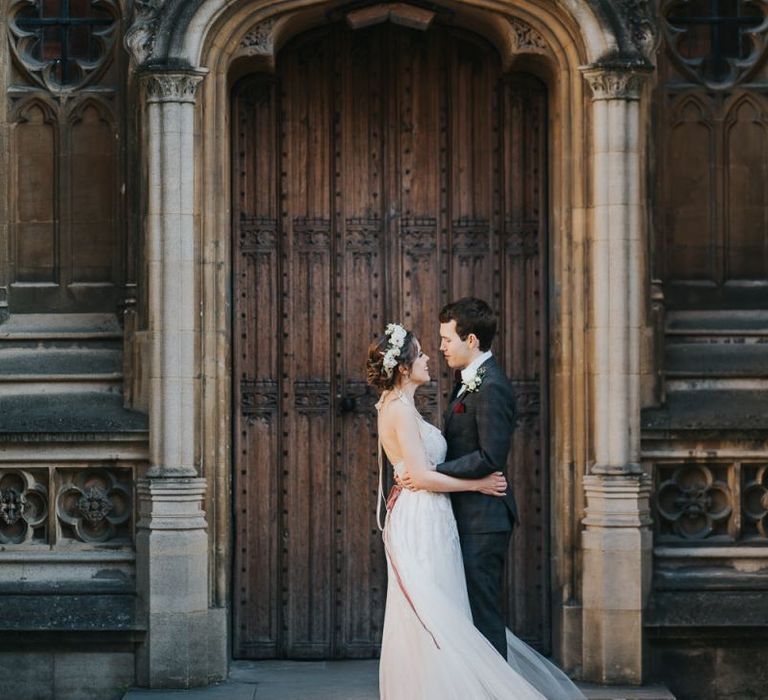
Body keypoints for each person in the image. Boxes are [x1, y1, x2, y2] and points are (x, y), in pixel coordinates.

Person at [368, 319, 584, 700]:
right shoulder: (398, 410)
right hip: (421, 518)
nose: (431, 356)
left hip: (432, 514)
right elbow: (421, 474)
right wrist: (477, 483)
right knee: (436, 613)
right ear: (404, 367)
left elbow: (425, 470)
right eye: (421, 353)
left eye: (442, 341)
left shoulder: (403, 405)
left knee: (446, 609)